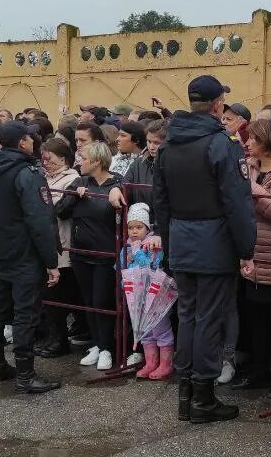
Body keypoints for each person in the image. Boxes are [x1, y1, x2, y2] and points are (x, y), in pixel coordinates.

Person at [153, 74, 256, 424]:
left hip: (181, 239)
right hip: (213, 243)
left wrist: (168, 246)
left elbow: (161, 203)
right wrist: (246, 248)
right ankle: (203, 397)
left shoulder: (168, 144)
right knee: (209, 319)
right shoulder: (221, 144)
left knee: (188, 316)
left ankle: (187, 394)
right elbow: (237, 202)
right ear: (217, 106)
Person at [0, 121, 63, 394]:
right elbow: (40, 220)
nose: (33, 142)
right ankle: (26, 374)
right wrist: (51, 261)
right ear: (22, 142)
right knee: (25, 313)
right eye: (30, 138)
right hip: (24, 253)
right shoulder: (27, 172)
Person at [229, 118, 271, 392]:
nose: (247, 142)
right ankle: (258, 370)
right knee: (255, 319)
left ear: (266, 141)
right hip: (252, 255)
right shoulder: (248, 169)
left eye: (254, 138)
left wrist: (255, 192)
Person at [55, 141, 125, 371]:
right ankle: (97, 344)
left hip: (105, 254)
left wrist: (117, 191)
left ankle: (107, 348)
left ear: (96, 161)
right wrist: (75, 195)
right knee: (88, 302)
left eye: (83, 159)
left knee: (101, 301)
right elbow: (60, 210)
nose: (79, 162)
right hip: (80, 253)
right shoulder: (80, 181)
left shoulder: (116, 182)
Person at [35, 138, 81, 359]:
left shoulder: (72, 179)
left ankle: (60, 340)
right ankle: (52, 336)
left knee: (59, 296)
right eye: (43, 158)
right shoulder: (43, 178)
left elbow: (56, 208)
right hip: (46, 244)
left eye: (49, 158)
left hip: (63, 243)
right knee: (48, 297)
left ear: (63, 158)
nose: (45, 163)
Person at [120, 202, 175, 380]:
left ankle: (166, 363)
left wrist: (139, 253)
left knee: (160, 328)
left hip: (156, 297)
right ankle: (151, 362)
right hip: (137, 298)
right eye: (131, 227)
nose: (134, 231)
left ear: (147, 227)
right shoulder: (127, 247)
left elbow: (154, 266)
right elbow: (122, 268)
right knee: (144, 330)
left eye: (139, 227)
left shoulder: (153, 245)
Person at [123, 119, 164, 220]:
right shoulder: (138, 163)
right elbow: (124, 185)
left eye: (157, 143)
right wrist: (114, 189)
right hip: (140, 225)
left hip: (163, 226)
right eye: (149, 141)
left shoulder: (173, 166)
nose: (151, 147)